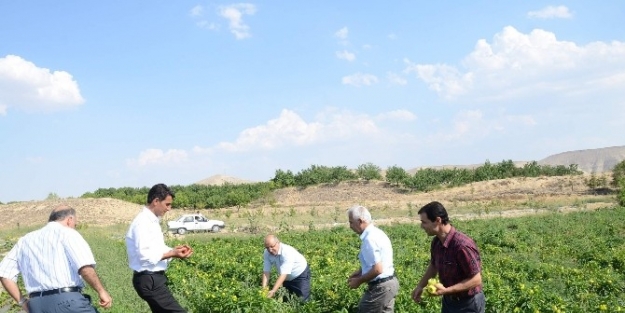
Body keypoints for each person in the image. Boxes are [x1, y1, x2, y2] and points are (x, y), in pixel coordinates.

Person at [0, 205, 113, 312]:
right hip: (67, 301)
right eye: (75, 223)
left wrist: (23, 302)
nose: (75, 225)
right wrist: (101, 291)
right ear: (69, 219)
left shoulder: (25, 240)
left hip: (36, 305)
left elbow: (4, 273)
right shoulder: (68, 233)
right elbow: (85, 268)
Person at [126, 183, 193, 313]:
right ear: (156, 201)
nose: (169, 208)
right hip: (150, 280)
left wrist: (175, 250)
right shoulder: (142, 223)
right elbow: (145, 255)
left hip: (152, 279)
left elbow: (155, 249)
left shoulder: (151, 221)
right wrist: (172, 253)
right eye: (167, 204)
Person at [411, 201, 485, 313]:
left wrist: (446, 291)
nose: (422, 226)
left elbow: (476, 279)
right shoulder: (437, 242)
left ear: (437, 220)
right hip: (449, 301)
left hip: (468, 303)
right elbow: (433, 266)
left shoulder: (461, 245)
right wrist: (420, 286)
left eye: (424, 222)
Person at [347, 205, 399, 313]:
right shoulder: (377, 233)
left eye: (351, 222)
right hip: (389, 284)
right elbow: (378, 262)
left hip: (381, 287)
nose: (350, 226)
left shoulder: (369, 240)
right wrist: (360, 272)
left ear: (360, 221)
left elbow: (378, 269)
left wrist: (358, 281)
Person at [262, 234, 311, 301]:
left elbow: (284, 274)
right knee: (287, 299)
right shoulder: (267, 253)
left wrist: (273, 291)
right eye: (267, 247)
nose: (270, 250)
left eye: (272, 246)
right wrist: (264, 289)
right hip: (286, 278)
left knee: (303, 300)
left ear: (278, 242)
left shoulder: (287, 252)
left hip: (300, 274)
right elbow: (266, 271)